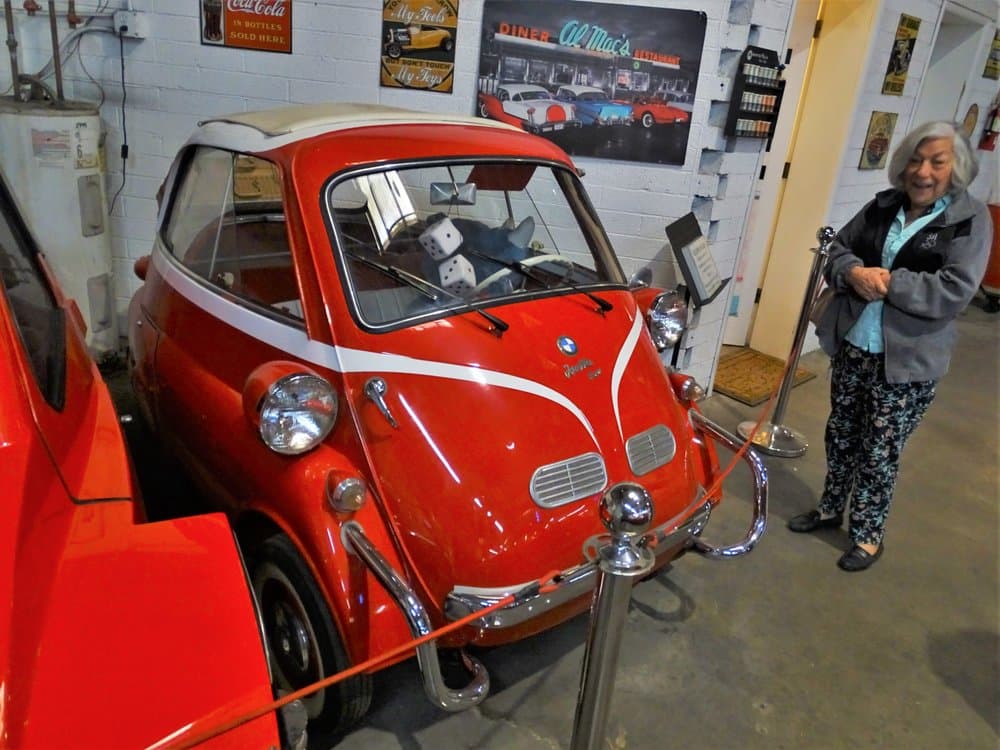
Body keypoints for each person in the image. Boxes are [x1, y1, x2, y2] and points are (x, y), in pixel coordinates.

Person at [788, 120, 992, 571]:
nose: (923, 171)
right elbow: (838, 248)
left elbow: (955, 289)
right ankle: (828, 509)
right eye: (916, 160)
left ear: (956, 168)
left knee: (879, 449)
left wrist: (890, 282)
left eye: (937, 162)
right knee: (841, 434)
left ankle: (867, 535)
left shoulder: (969, 220)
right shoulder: (882, 207)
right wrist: (854, 272)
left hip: (907, 362)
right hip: (856, 343)